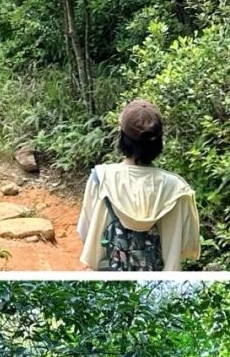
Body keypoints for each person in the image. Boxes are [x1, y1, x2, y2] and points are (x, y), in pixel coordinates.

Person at [77, 99, 200, 272]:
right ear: (158, 142)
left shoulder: (101, 178)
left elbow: (85, 232)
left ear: (122, 138)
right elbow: (187, 245)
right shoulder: (178, 189)